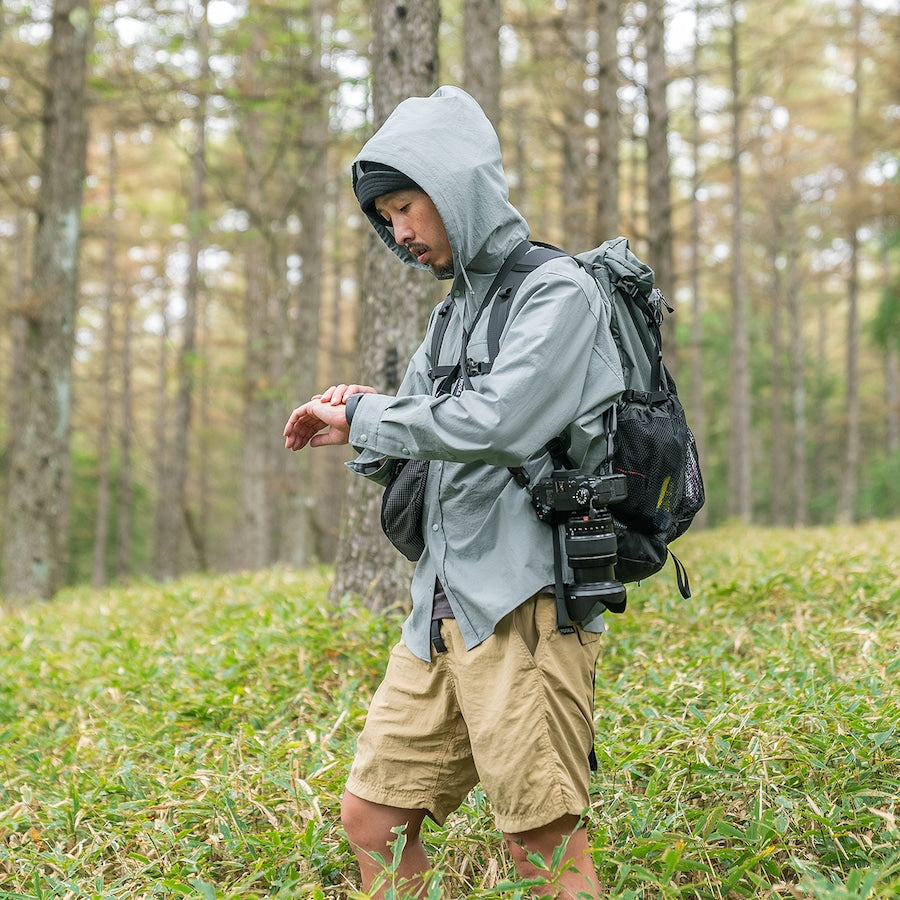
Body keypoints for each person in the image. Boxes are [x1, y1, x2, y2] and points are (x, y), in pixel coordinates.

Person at [283, 86, 624, 899]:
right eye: (387, 217)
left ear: (458, 186)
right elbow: (421, 431)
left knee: (543, 848)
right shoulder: (456, 311)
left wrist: (373, 414)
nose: (398, 232)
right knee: (374, 818)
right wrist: (352, 427)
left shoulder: (559, 293)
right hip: (437, 609)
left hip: (524, 607)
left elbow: (498, 425)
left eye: (407, 207)